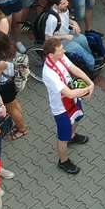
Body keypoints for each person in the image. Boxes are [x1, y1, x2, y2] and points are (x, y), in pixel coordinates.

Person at [39, 36, 92, 174]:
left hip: (73, 97)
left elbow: (73, 68)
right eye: (60, 50)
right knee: (63, 135)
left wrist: (89, 82)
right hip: (61, 107)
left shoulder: (60, 57)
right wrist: (86, 90)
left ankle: (72, 136)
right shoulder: (48, 73)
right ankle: (63, 161)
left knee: (79, 117)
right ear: (51, 54)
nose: (63, 51)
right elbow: (68, 93)